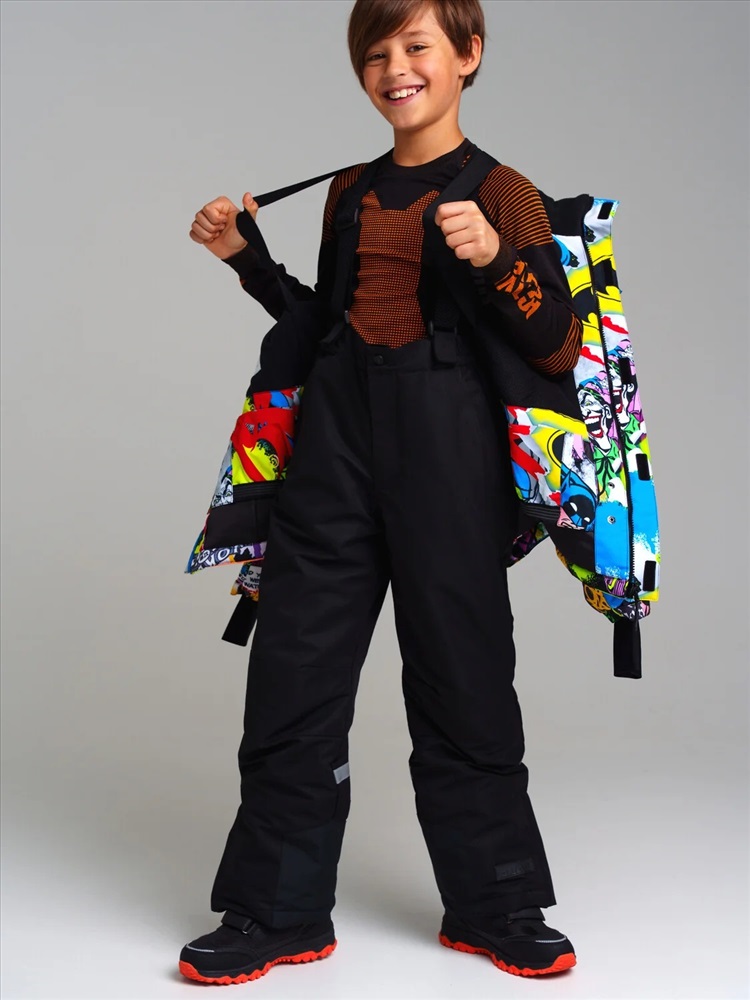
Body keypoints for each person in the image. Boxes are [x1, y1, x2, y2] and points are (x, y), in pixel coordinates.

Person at [180, 0, 582, 984]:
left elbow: (558, 345)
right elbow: (324, 323)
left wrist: (496, 260)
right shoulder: (350, 192)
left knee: (463, 678)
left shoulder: (506, 191)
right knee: (293, 675)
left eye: (417, 46)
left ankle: (496, 904)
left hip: (451, 454)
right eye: (376, 52)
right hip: (335, 445)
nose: (395, 66)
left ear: (468, 55)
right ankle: (276, 911)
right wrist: (246, 262)